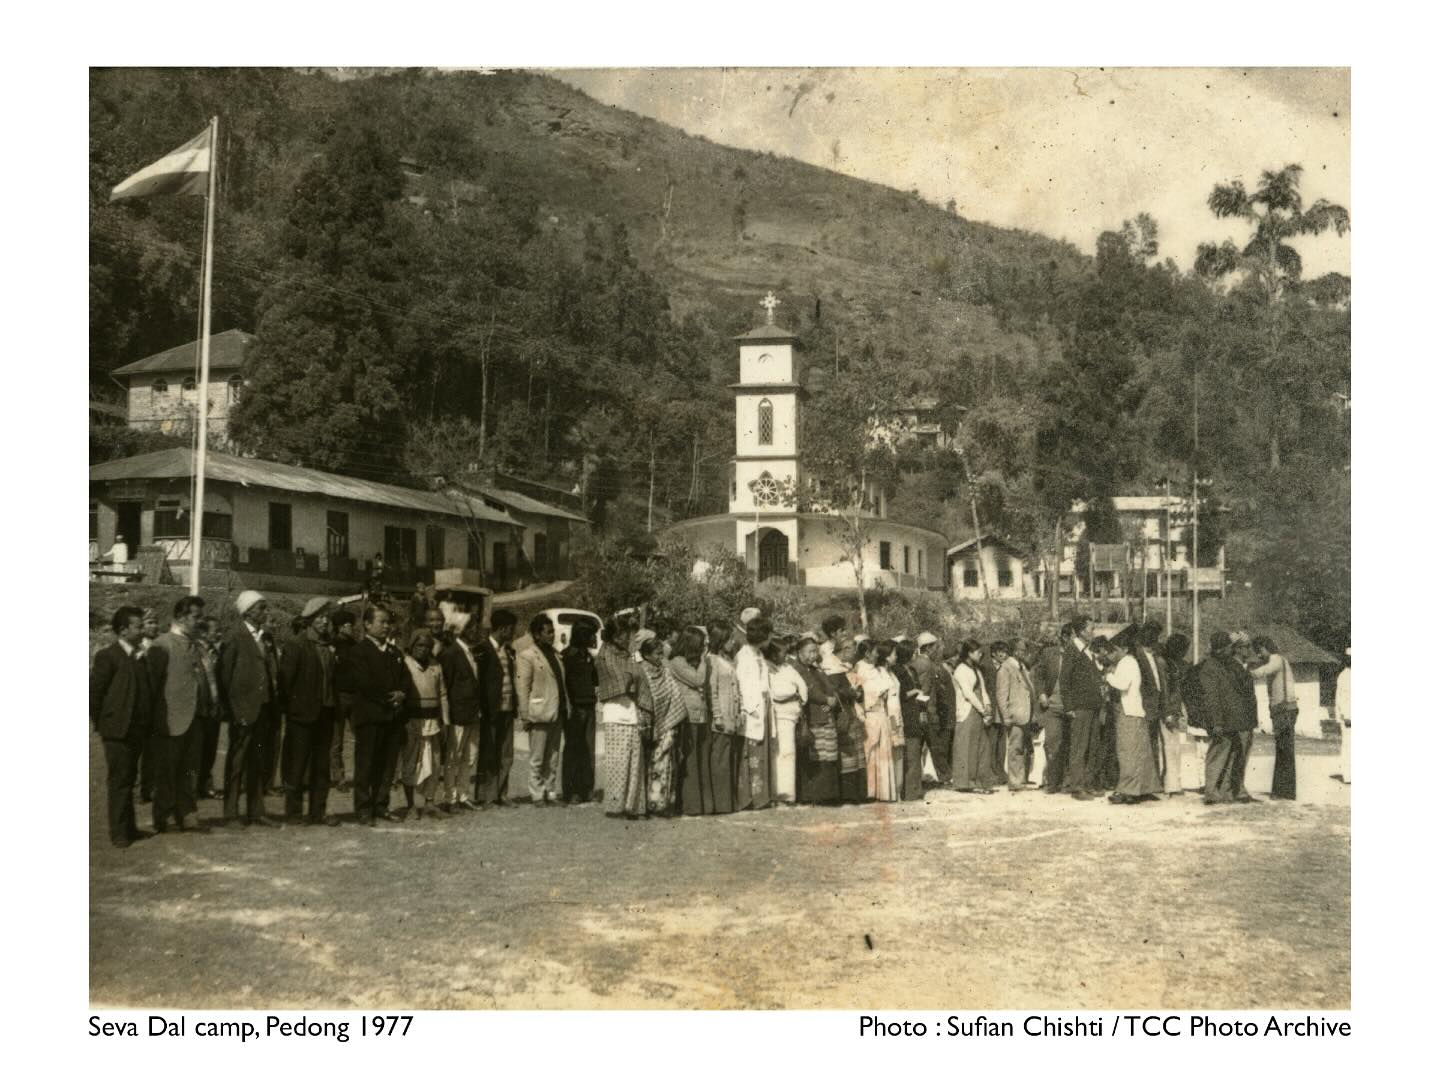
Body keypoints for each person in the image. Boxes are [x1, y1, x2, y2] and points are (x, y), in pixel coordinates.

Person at [91, 607, 155, 848]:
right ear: (123, 630)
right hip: (116, 731)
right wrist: (104, 723)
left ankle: (129, 827)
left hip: (136, 731)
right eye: (138, 626)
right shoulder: (108, 656)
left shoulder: (140, 656)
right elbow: (95, 694)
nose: (142, 630)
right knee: (119, 781)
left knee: (129, 778)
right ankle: (118, 833)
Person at [146, 595, 209, 833]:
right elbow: (152, 687)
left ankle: (187, 813)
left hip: (194, 719)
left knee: (190, 770)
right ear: (181, 618)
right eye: (196, 617)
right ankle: (164, 817)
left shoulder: (196, 645)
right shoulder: (162, 644)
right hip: (170, 720)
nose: (199, 622)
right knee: (167, 771)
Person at [217, 591, 280, 827]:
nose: (265, 612)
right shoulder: (235, 636)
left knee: (258, 761)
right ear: (248, 611)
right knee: (236, 763)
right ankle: (231, 813)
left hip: (263, 709)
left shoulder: (267, 637)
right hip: (242, 710)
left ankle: (256, 810)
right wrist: (232, 708)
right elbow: (224, 675)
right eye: (261, 608)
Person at [278, 598, 341, 826]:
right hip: (302, 716)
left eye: (327, 617)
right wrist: (293, 709)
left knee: (321, 767)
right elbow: (286, 681)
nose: (325, 622)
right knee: (297, 766)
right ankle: (293, 813)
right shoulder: (297, 645)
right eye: (320, 617)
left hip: (325, 714)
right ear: (310, 620)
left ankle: (318, 812)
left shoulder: (329, 646)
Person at [349, 606, 408, 826]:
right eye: (381, 622)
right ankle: (364, 808)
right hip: (370, 717)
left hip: (392, 718)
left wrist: (402, 693)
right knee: (366, 764)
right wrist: (388, 698)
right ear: (367, 624)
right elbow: (364, 683)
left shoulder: (394, 653)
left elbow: (405, 679)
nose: (386, 626)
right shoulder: (359, 651)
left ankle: (381, 805)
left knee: (387, 766)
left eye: (388, 623)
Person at [598, 611, 652, 819]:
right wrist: (634, 677)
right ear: (613, 635)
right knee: (618, 763)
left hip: (632, 713)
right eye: (622, 634)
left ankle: (633, 805)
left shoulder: (629, 655)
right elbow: (623, 681)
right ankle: (615, 806)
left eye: (627, 634)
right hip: (615, 713)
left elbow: (639, 679)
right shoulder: (605, 655)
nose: (625, 638)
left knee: (634, 762)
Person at [1193, 631, 1257, 805]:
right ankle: (1211, 793)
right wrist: (1216, 723)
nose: (1231, 650)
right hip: (1221, 721)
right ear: (1220, 649)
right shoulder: (1210, 668)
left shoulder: (1224, 665)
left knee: (1229, 757)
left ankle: (1224, 792)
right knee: (1217, 756)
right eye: (1229, 647)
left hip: (1232, 720)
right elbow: (1211, 698)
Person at [1098, 635, 1163, 804]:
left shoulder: (1127, 662)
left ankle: (1128, 790)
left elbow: (1122, 684)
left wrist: (1107, 676)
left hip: (1128, 713)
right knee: (1141, 753)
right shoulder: (1130, 662)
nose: (1113, 654)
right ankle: (1144, 788)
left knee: (1127, 753)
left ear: (1125, 649)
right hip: (1134, 711)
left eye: (1116, 650)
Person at [516, 613, 568, 806]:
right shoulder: (527, 656)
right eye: (547, 632)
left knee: (553, 756)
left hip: (556, 711)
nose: (552, 635)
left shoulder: (555, 654)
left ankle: (550, 791)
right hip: (538, 712)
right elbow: (523, 687)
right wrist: (525, 714)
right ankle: (537, 794)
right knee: (537, 757)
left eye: (552, 631)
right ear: (537, 635)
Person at [400, 628, 449, 819]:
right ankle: (411, 804)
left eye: (427, 646)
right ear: (412, 646)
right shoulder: (406, 664)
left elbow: (443, 694)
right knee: (412, 762)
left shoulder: (436, 666)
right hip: (413, 721)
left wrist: (445, 721)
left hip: (433, 723)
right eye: (419, 645)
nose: (423, 649)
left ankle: (430, 802)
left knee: (435, 763)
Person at [670, 627, 717, 815]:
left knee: (701, 760)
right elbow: (698, 680)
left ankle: (703, 805)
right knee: (690, 762)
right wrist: (705, 660)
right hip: (687, 716)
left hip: (701, 716)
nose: (704, 647)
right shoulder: (677, 662)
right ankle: (691, 805)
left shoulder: (692, 662)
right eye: (701, 644)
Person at [439, 621, 485, 812]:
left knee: (469, 756)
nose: (475, 632)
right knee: (453, 757)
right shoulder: (451, 653)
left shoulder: (472, 652)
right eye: (471, 628)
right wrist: (448, 715)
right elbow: (446, 686)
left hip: (473, 713)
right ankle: (450, 798)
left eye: (477, 629)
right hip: (458, 713)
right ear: (461, 631)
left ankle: (463, 795)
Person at [475, 609, 519, 807]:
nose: (513, 634)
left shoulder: (508, 650)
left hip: (507, 709)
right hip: (491, 711)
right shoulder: (483, 649)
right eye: (511, 630)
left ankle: (501, 793)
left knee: (506, 753)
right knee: (489, 753)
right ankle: (487, 795)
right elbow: (480, 682)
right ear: (504, 629)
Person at [639, 634, 685, 816]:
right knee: (647, 764)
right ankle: (646, 803)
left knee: (663, 764)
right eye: (657, 654)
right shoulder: (642, 673)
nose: (661, 657)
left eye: (661, 654)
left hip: (667, 724)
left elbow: (675, 696)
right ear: (647, 655)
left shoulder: (665, 672)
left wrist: (669, 723)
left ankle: (661, 804)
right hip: (647, 725)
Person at [1060, 617, 1106, 800]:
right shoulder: (1073, 650)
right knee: (1079, 747)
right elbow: (1065, 680)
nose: (1093, 633)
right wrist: (1069, 706)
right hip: (1080, 706)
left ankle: (1088, 783)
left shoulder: (1089, 651)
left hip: (1093, 705)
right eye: (1091, 629)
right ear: (1081, 632)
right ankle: (1077, 787)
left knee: (1092, 746)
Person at [1250, 635, 1299, 801]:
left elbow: (1262, 672)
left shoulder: (1276, 660)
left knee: (1284, 750)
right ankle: (1283, 790)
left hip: (1284, 710)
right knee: (1283, 750)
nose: (1258, 655)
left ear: (1266, 647)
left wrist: (1245, 671)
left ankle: (1284, 792)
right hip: (1282, 709)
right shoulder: (1276, 660)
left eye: (1259, 651)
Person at [734, 615, 775, 810]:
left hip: (764, 705)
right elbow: (742, 685)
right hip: (753, 709)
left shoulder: (759, 655)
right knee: (751, 753)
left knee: (762, 751)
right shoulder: (744, 656)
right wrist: (751, 708)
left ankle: (762, 797)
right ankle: (749, 797)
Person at [795, 634, 841, 804]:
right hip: (813, 718)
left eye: (815, 651)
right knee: (817, 756)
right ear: (800, 652)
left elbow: (830, 689)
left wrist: (830, 703)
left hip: (825, 715)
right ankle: (815, 796)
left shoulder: (816, 669)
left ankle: (827, 795)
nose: (813, 655)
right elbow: (810, 690)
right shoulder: (798, 669)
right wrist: (825, 700)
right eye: (810, 651)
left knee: (828, 755)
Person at [702, 621, 742, 814]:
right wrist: (717, 715)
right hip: (721, 717)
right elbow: (712, 691)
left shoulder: (726, 659)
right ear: (721, 640)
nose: (733, 642)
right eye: (730, 638)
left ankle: (728, 801)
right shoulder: (711, 660)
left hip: (731, 716)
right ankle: (721, 803)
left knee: (727, 758)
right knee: (720, 760)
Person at [854, 640, 899, 802]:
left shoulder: (878, 670)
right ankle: (869, 792)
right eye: (875, 651)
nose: (878, 654)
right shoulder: (859, 669)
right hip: (869, 714)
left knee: (883, 752)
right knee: (870, 752)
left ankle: (883, 792)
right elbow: (859, 694)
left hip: (881, 714)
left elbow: (887, 691)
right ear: (867, 653)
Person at [561, 621, 599, 804]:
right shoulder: (567, 656)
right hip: (575, 709)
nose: (594, 638)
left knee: (589, 750)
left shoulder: (589, 657)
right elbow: (564, 684)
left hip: (589, 706)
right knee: (574, 749)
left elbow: (594, 681)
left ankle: (587, 788)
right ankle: (572, 791)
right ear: (583, 635)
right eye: (591, 634)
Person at [950, 639, 995, 795]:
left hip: (980, 710)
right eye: (977, 652)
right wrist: (983, 710)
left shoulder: (977, 669)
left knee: (983, 747)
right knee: (967, 747)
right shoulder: (961, 670)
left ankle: (982, 782)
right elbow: (968, 693)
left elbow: (983, 689)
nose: (980, 654)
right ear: (969, 653)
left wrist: (988, 707)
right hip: (969, 710)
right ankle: (966, 782)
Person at [827, 635, 869, 803]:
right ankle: (848, 794)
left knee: (855, 754)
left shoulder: (846, 667)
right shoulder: (832, 667)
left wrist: (857, 692)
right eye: (852, 649)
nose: (855, 653)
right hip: (843, 714)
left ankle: (856, 793)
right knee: (847, 755)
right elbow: (837, 690)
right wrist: (853, 692)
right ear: (844, 650)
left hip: (852, 712)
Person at [768, 636, 808, 806]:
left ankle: (788, 794)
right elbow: (776, 693)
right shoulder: (769, 669)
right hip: (779, 716)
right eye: (782, 653)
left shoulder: (788, 668)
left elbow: (802, 685)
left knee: (789, 754)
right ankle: (781, 795)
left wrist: (801, 697)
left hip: (792, 716)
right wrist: (793, 693)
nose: (785, 656)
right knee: (782, 754)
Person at [996, 638, 1037, 793]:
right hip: (1015, 715)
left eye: (1024, 649)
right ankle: (1014, 781)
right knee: (1015, 748)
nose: (1023, 652)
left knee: (1022, 748)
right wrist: (1006, 716)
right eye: (1020, 649)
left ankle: (1020, 779)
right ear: (1013, 650)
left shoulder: (1021, 667)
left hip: (1025, 714)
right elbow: (1002, 694)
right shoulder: (1006, 668)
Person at [913, 632, 952, 787]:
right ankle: (945, 777)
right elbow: (924, 690)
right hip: (927, 711)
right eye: (935, 647)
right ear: (928, 648)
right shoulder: (926, 664)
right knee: (935, 746)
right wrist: (926, 711)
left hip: (923, 711)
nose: (937, 650)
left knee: (923, 747)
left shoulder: (917, 662)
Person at [1033, 626, 1068, 794]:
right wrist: (1041, 693)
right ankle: (1053, 782)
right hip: (1052, 706)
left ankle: (1066, 781)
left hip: (1070, 707)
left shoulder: (1078, 655)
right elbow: (1038, 675)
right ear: (1064, 637)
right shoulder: (1049, 653)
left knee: (1069, 746)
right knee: (1053, 744)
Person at [329, 609, 358, 792]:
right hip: (339, 695)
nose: (351, 628)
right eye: (348, 626)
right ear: (340, 627)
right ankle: (338, 777)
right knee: (336, 739)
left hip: (355, 696)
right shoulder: (333, 645)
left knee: (359, 736)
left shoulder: (356, 645)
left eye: (351, 625)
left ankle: (360, 774)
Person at [1158, 632, 1191, 796]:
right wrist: (1169, 713)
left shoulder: (1172, 664)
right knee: (1170, 748)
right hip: (1169, 710)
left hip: (1172, 709)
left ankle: (1171, 782)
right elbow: (1166, 692)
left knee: (1172, 748)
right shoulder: (1168, 665)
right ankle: (1171, 785)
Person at [194, 616, 223, 800]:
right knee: (197, 750)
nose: (218, 633)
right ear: (204, 632)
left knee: (210, 750)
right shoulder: (194, 650)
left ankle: (205, 784)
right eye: (215, 630)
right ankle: (193, 787)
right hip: (199, 709)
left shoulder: (216, 651)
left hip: (215, 708)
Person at [894, 640, 926, 801]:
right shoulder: (897, 670)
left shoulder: (911, 669)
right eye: (914, 652)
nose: (916, 654)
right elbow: (900, 694)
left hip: (915, 710)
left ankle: (915, 788)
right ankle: (908, 791)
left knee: (915, 751)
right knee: (909, 753)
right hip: (905, 713)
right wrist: (913, 691)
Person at [1336, 648, 1351, 785]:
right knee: (1348, 745)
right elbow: (1342, 698)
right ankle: (1348, 776)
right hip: (1348, 717)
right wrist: (1346, 715)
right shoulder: (1344, 676)